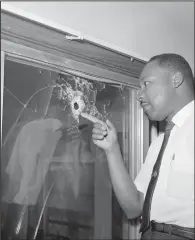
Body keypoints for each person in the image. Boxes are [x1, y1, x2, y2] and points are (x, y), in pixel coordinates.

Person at [91, 53, 194, 240]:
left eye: (147, 84)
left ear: (176, 80)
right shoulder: (158, 144)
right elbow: (134, 208)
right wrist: (112, 149)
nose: (139, 95)